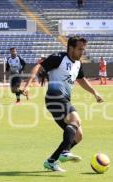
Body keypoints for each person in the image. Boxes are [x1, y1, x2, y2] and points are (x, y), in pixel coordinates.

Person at [23, 36, 104, 172]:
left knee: (78, 136)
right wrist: (27, 85)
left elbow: (81, 79)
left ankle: (51, 161)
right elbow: (39, 66)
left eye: (83, 50)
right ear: (70, 48)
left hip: (64, 99)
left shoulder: (78, 64)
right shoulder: (58, 58)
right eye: (79, 49)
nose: (82, 52)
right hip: (54, 97)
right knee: (75, 119)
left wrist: (94, 92)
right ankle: (65, 152)